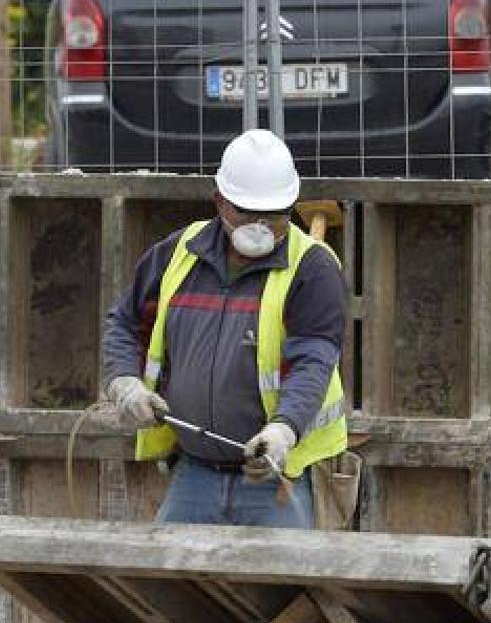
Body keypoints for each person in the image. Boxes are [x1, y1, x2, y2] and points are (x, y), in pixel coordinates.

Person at [101, 129, 347, 529]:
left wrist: (283, 431)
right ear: (219, 201)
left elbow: (313, 362)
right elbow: (125, 322)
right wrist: (125, 383)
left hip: (276, 478)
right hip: (195, 473)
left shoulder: (313, 268)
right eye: (247, 213)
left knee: (286, 587)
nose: (260, 226)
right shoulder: (179, 253)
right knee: (175, 585)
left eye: (274, 216)